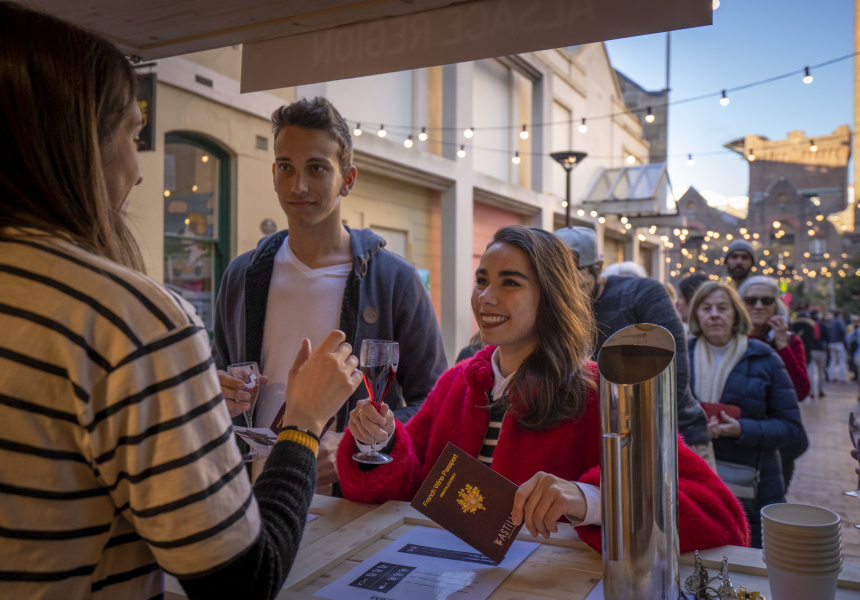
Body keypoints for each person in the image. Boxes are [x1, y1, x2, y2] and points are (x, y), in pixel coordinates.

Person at [0, 3, 364, 598]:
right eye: (133, 137)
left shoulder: (388, 276)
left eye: (317, 169)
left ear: (345, 178)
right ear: (76, 145)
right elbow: (242, 582)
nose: (140, 172)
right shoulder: (134, 319)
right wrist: (302, 422)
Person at [337, 226, 749, 553]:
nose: (486, 297)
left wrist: (587, 498)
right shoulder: (457, 381)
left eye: (510, 283)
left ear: (550, 297)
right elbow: (406, 484)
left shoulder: (601, 393)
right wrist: (380, 441)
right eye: (482, 281)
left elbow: (719, 514)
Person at [212, 97, 447, 491]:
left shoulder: (395, 280)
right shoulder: (241, 274)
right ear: (273, 174)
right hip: (251, 495)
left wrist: (356, 443)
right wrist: (217, 390)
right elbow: (218, 372)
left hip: (348, 503)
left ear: (348, 180)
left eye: (317, 168)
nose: (298, 185)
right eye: (286, 167)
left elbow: (435, 401)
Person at [554, 226, 713, 468]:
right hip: (605, 443)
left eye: (576, 280)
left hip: (676, 434)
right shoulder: (558, 306)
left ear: (597, 268)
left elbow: (675, 373)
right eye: (558, 280)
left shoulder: (643, 293)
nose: (569, 292)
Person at [687, 281, 802, 548]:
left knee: (752, 563)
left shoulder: (764, 358)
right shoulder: (682, 356)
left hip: (754, 484)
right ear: (696, 315)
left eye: (722, 308)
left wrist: (742, 429)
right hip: (695, 483)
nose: (714, 314)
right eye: (706, 308)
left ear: (736, 314)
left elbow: (790, 425)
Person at [737, 276, 810, 492]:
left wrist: (781, 345)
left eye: (766, 301)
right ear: (741, 305)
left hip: (779, 444)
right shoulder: (731, 341)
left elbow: (801, 391)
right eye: (751, 301)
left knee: (771, 504)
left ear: (775, 305)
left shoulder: (791, 341)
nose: (758, 306)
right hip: (739, 439)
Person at [826, 310, 848, 384]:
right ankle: (841, 378)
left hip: (831, 343)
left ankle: (831, 377)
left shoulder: (831, 323)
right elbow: (843, 332)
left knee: (833, 360)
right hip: (839, 343)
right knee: (842, 361)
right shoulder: (839, 322)